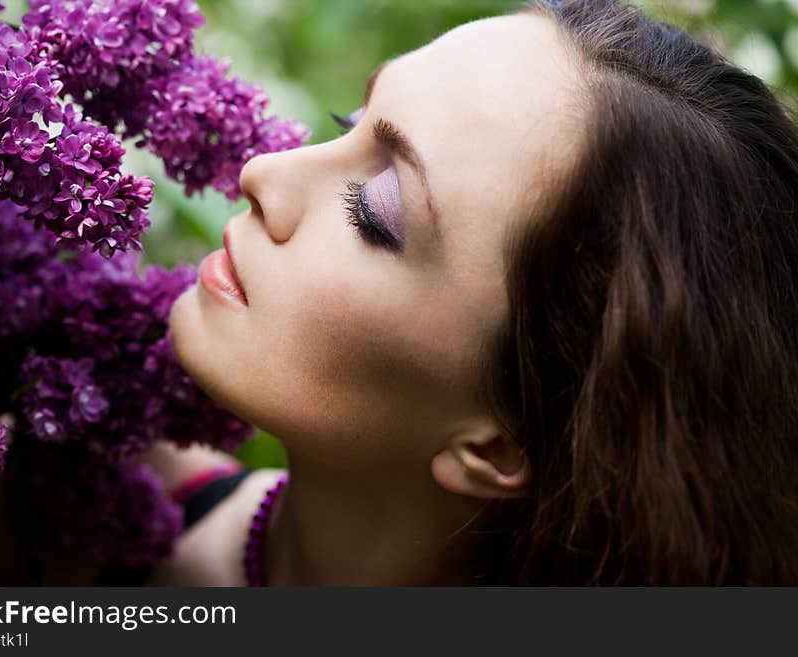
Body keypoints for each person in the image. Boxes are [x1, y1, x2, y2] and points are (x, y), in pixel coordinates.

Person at [148, 0, 798, 586]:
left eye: (376, 211)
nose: (263, 171)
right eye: (349, 120)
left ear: (498, 444)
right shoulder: (87, 492)